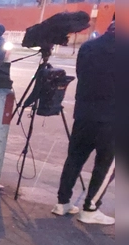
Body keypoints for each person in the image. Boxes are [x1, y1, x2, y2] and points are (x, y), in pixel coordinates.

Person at [53, 21, 115, 225]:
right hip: (113, 119)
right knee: (105, 165)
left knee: (75, 158)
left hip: (84, 114)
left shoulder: (88, 46)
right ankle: (90, 208)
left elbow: (81, 74)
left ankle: (62, 202)